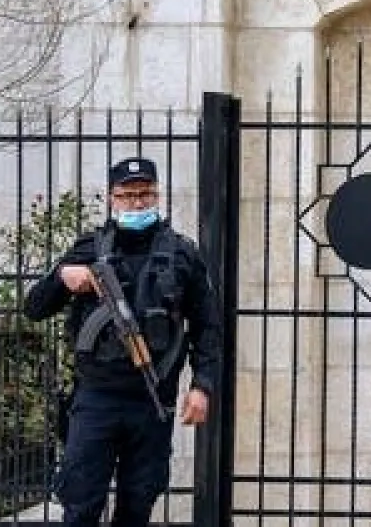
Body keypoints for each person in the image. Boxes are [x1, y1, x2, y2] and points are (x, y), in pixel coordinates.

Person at [24, 156, 222, 527]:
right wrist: (63, 277)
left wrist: (202, 386)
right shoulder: (89, 248)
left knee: (137, 506)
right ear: (112, 198)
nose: (137, 203)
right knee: (80, 505)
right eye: (127, 195)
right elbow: (34, 308)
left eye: (145, 194)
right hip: (96, 397)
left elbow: (208, 325)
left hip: (153, 398)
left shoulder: (181, 253)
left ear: (158, 196)